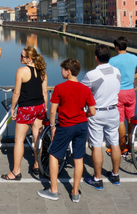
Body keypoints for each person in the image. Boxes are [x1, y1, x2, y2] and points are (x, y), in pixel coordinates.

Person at [37, 58, 96, 202]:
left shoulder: (59, 88)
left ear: (68, 71)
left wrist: (52, 127)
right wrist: (83, 115)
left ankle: (54, 190)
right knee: (78, 157)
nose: (61, 72)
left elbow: (52, 112)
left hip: (66, 126)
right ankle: (75, 193)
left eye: (62, 69)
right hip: (81, 126)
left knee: (53, 154)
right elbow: (93, 112)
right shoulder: (85, 89)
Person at [1, 46, 47, 180]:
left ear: (29, 58)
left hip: (26, 108)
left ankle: (16, 171)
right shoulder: (42, 71)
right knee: (38, 138)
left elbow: (16, 92)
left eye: (22, 56)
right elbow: (44, 92)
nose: (20, 58)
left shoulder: (21, 71)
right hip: (39, 107)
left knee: (19, 140)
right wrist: (44, 108)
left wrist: (12, 108)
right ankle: (37, 165)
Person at [81, 44, 122, 190]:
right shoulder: (117, 71)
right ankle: (115, 175)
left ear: (96, 58)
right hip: (113, 111)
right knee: (114, 143)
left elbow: (82, 90)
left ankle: (97, 179)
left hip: (97, 112)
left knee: (97, 145)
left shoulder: (92, 75)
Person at [109, 36, 137, 155]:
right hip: (130, 91)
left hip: (118, 92)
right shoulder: (134, 58)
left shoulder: (113, 61)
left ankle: (122, 146)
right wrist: (131, 78)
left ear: (117, 47)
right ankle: (131, 143)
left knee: (120, 120)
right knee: (130, 119)